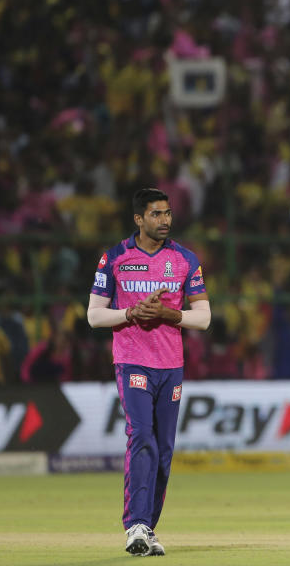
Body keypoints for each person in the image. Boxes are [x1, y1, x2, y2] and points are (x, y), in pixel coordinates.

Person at [87, 188, 211, 556]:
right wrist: (129, 314)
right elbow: (94, 315)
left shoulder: (185, 260)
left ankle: (147, 527)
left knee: (165, 450)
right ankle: (135, 524)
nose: (165, 221)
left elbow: (203, 318)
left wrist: (171, 315)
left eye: (168, 213)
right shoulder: (115, 258)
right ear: (138, 219)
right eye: (156, 214)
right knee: (141, 436)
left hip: (171, 365)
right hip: (133, 361)